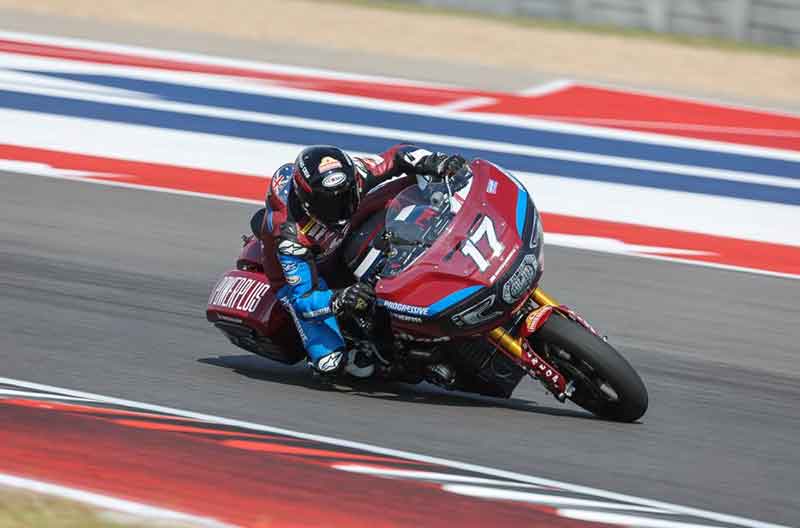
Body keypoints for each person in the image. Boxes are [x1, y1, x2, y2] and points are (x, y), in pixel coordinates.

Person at [257, 144, 466, 378]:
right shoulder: (290, 235)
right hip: (313, 270)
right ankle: (363, 341)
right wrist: (339, 299)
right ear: (307, 201)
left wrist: (434, 161)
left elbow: (397, 156)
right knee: (330, 362)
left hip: (346, 233)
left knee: (422, 180)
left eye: (344, 195)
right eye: (327, 203)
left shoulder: (357, 172)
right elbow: (303, 298)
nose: (338, 207)